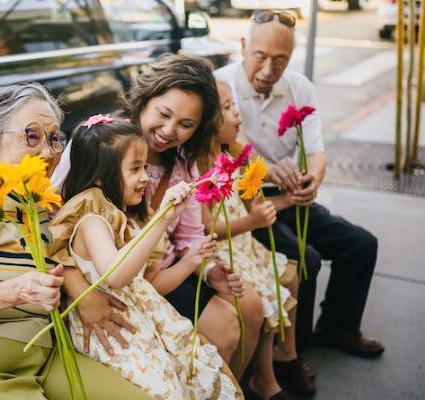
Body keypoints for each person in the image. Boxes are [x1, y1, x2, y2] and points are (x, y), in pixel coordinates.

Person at [0, 84, 154, 400]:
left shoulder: (45, 204)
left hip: (41, 359)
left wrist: (81, 295)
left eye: (54, 139)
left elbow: (67, 260)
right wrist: (15, 290)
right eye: (32, 136)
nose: (48, 153)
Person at [52, 54, 264, 373]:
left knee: (251, 305)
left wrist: (207, 271)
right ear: (144, 100)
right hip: (109, 279)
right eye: (163, 114)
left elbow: (189, 236)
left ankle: (250, 383)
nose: (168, 130)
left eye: (185, 125)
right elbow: (51, 224)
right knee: (225, 327)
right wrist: (82, 295)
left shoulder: (183, 163)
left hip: (160, 272)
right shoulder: (99, 143)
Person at [214, 8, 384, 395]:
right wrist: (269, 170)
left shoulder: (300, 86)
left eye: (281, 59)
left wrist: (313, 180)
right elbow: (223, 148)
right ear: (243, 46)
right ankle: (289, 353)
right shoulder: (219, 85)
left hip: (293, 196)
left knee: (361, 244)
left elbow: (317, 150)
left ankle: (338, 325)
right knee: (302, 259)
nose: (269, 67)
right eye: (260, 56)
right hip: (247, 201)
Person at [48, 115, 243, 399]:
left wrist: (190, 261)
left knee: (190, 372)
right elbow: (114, 275)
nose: (144, 178)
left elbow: (144, 284)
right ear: (101, 176)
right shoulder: (91, 220)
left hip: (141, 324)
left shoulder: (118, 218)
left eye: (145, 167)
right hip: (113, 334)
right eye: (135, 169)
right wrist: (161, 221)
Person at [199, 81, 301, 400]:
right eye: (227, 109)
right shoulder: (203, 167)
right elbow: (209, 230)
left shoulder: (237, 152)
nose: (236, 114)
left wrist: (266, 203)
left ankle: (286, 353)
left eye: (234, 105)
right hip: (226, 250)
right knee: (266, 294)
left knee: (292, 274)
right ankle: (264, 380)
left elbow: (250, 201)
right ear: (209, 123)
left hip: (245, 245)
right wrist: (253, 220)